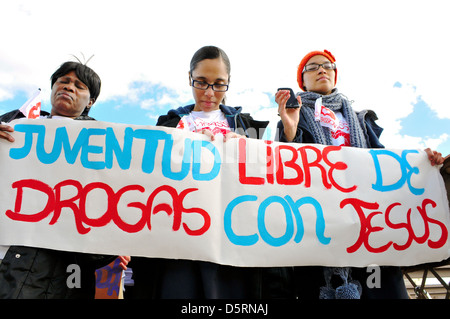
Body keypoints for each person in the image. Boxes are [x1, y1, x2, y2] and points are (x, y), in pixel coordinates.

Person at [275, 49, 444, 299]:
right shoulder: (294, 117)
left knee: (382, 289)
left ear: (335, 74)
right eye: (312, 67)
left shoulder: (361, 119)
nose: (321, 69)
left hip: (370, 222)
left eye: (327, 65)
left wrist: (423, 162)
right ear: (302, 80)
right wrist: (290, 130)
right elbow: (286, 168)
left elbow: (386, 165)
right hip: (320, 223)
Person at [130, 46, 294, 299]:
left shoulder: (248, 127)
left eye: (219, 84)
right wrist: (180, 146)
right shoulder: (168, 125)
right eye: (202, 82)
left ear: (228, 83)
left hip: (233, 240)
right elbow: (149, 177)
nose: (209, 92)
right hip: (180, 242)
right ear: (189, 78)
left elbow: (274, 176)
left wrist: (284, 135)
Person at [0, 61, 130, 298]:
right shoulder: (13, 125)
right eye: (63, 81)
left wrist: (115, 244)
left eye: (79, 86)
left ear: (90, 102)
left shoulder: (104, 146)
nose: (68, 87)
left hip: (57, 275)